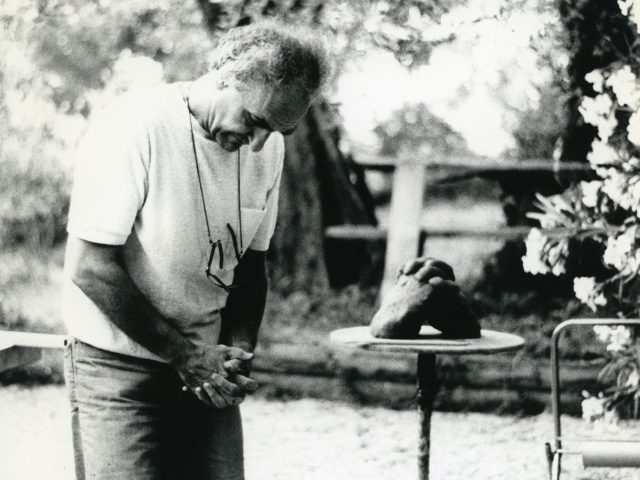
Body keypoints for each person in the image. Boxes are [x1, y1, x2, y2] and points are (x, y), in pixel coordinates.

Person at [62, 20, 330, 480]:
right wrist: (183, 356)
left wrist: (239, 349)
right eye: (255, 120)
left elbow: (252, 263)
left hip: (205, 365)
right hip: (118, 366)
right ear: (225, 74)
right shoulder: (134, 125)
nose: (260, 142)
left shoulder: (268, 147)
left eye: (278, 131)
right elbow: (89, 267)